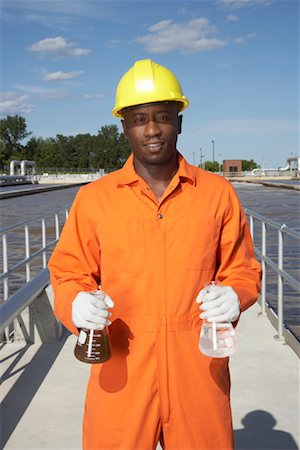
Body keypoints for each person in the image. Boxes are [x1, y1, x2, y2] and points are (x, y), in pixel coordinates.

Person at [49, 59, 261, 450]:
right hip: (122, 371)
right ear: (124, 127)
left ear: (179, 121)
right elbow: (68, 273)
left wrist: (236, 296)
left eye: (163, 116)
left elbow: (242, 270)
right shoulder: (94, 200)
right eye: (138, 118)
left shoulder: (217, 194)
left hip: (197, 371)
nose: (151, 129)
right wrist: (75, 303)